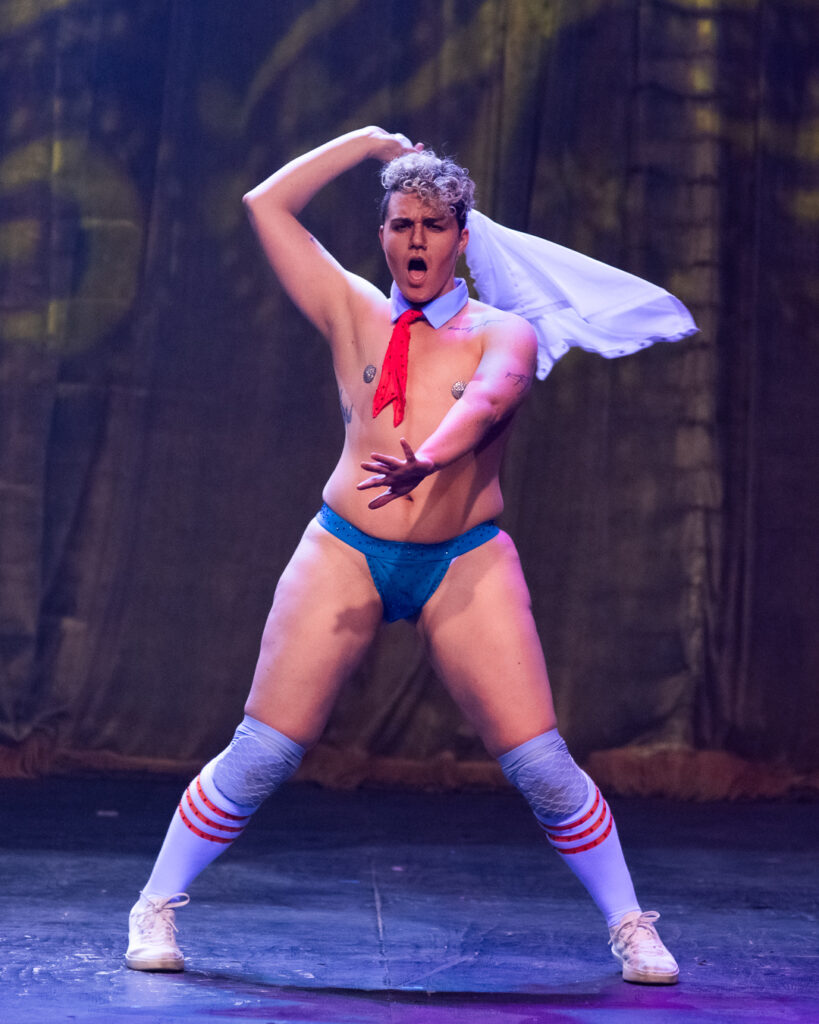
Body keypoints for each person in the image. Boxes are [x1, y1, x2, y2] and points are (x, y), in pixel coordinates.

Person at [125, 127, 680, 985]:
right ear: (382, 234)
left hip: (462, 560)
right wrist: (365, 144)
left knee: (540, 764)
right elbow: (264, 205)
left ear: (461, 237)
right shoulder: (352, 310)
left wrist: (430, 456)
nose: (415, 241)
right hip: (345, 550)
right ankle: (154, 904)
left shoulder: (504, 332)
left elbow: (486, 402)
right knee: (263, 749)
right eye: (400, 225)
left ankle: (630, 925)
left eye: (432, 226)